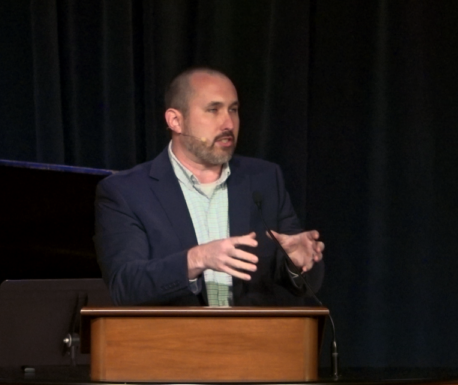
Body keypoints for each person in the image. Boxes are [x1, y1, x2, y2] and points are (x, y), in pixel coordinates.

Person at [94, 67, 325, 306]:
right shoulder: (127, 192)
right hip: (175, 331)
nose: (228, 123)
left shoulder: (264, 179)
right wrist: (197, 258)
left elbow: (303, 281)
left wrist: (297, 263)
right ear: (175, 121)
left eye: (233, 110)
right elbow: (125, 285)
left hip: (253, 330)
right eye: (213, 110)